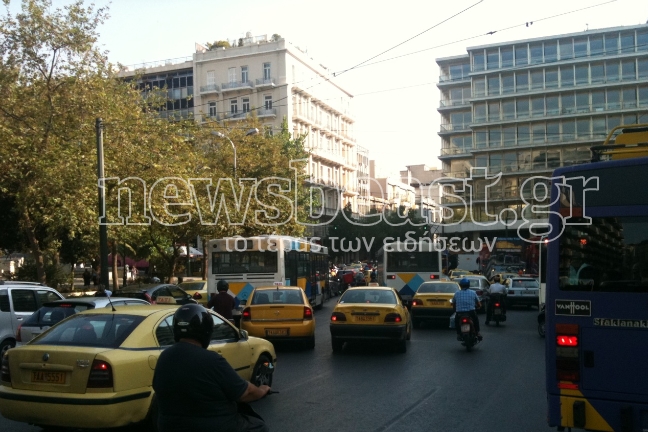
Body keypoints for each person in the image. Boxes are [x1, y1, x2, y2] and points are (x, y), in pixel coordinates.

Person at [152, 304, 270, 432]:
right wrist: (262, 390)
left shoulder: (164, 357)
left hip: (169, 426)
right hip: (215, 426)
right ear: (206, 331)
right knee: (259, 426)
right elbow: (246, 392)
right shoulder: (212, 359)